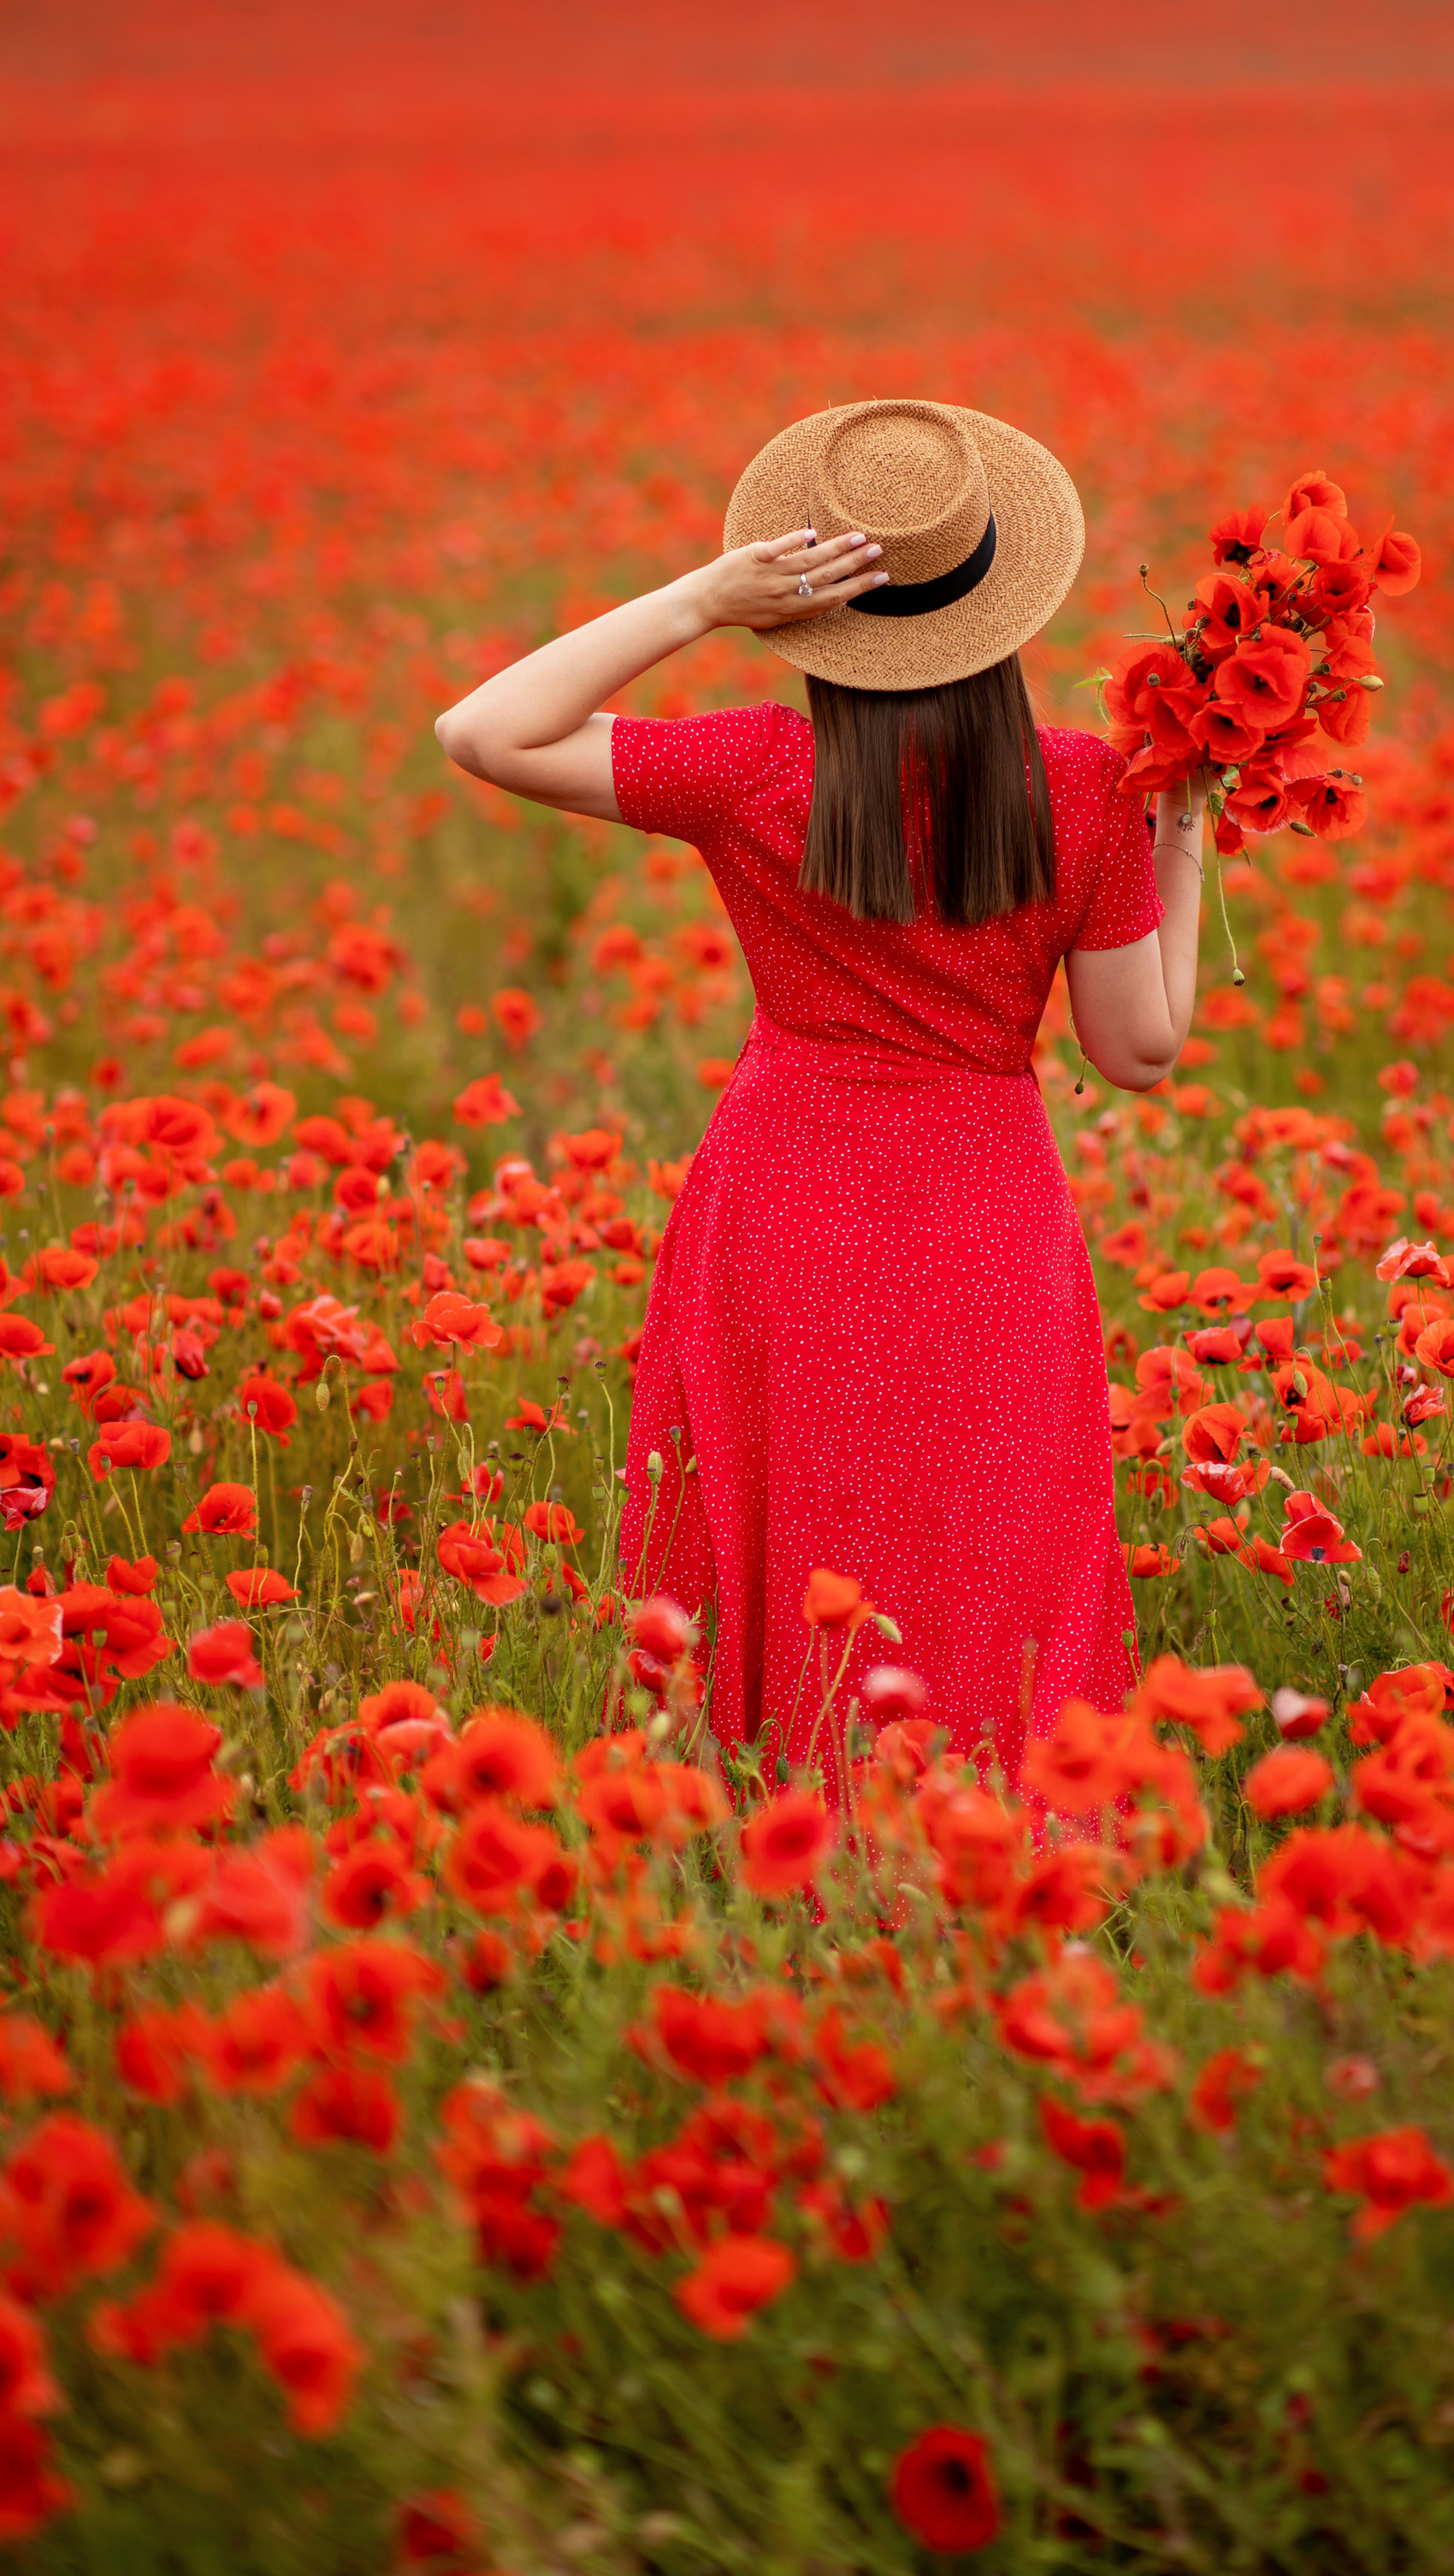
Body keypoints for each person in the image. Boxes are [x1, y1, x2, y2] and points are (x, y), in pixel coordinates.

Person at [434, 396, 1205, 1783]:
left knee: (790, 1539)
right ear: (1000, 606)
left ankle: (773, 1851)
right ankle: (992, 1859)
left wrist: (701, 602)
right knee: (987, 1555)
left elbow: (483, 731)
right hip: (986, 1219)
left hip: (786, 1205)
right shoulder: (1085, 792)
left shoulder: (752, 770)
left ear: (819, 615)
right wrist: (1186, 827)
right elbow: (1139, 1050)